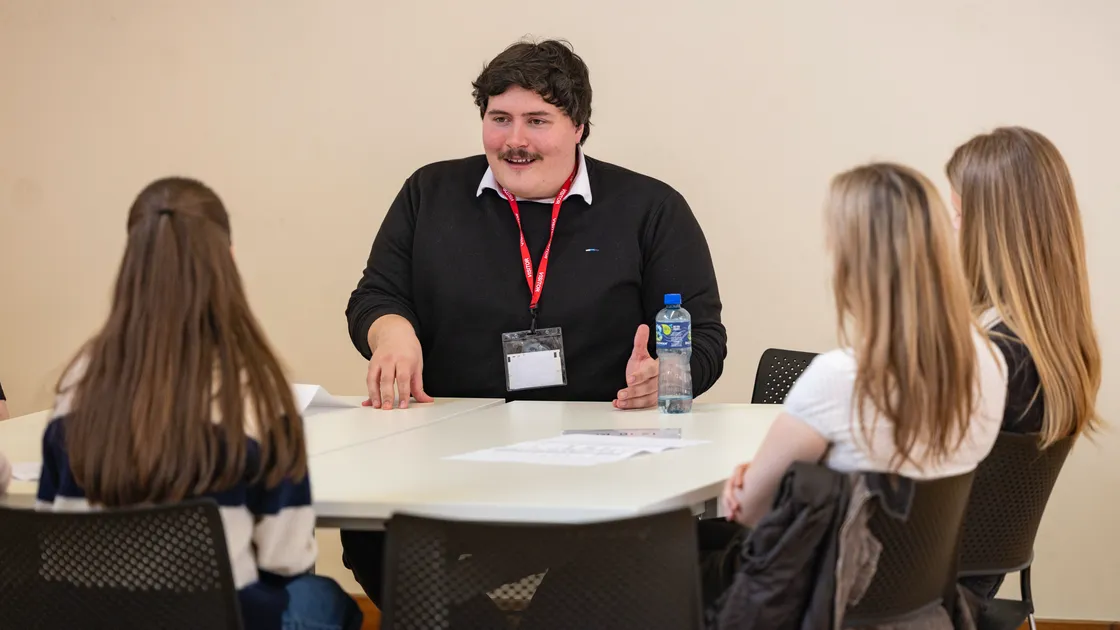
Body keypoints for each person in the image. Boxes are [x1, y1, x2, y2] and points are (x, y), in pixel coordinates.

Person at [341, 38, 727, 606]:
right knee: (371, 529)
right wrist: (391, 329)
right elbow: (375, 296)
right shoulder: (430, 193)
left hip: (603, 458)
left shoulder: (650, 207)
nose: (515, 140)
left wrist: (667, 375)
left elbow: (706, 339)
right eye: (499, 119)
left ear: (579, 127)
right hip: (451, 453)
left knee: (619, 560)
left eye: (537, 121)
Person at [35, 178, 363, 630]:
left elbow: (51, 533)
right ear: (227, 260)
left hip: (88, 616)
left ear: (131, 263)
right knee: (325, 599)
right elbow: (286, 562)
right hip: (218, 618)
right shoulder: (258, 390)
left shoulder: (80, 379)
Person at [701, 163, 1008, 607]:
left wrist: (754, 485)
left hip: (828, 598)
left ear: (852, 261)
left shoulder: (841, 376)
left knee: (662, 559)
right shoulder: (991, 360)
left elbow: (750, 511)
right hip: (920, 606)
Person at [946, 126, 1102, 601]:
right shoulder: (1054, 351)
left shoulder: (991, 356)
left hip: (914, 593)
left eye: (955, 213)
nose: (948, 227)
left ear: (991, 229)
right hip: (966, 588)